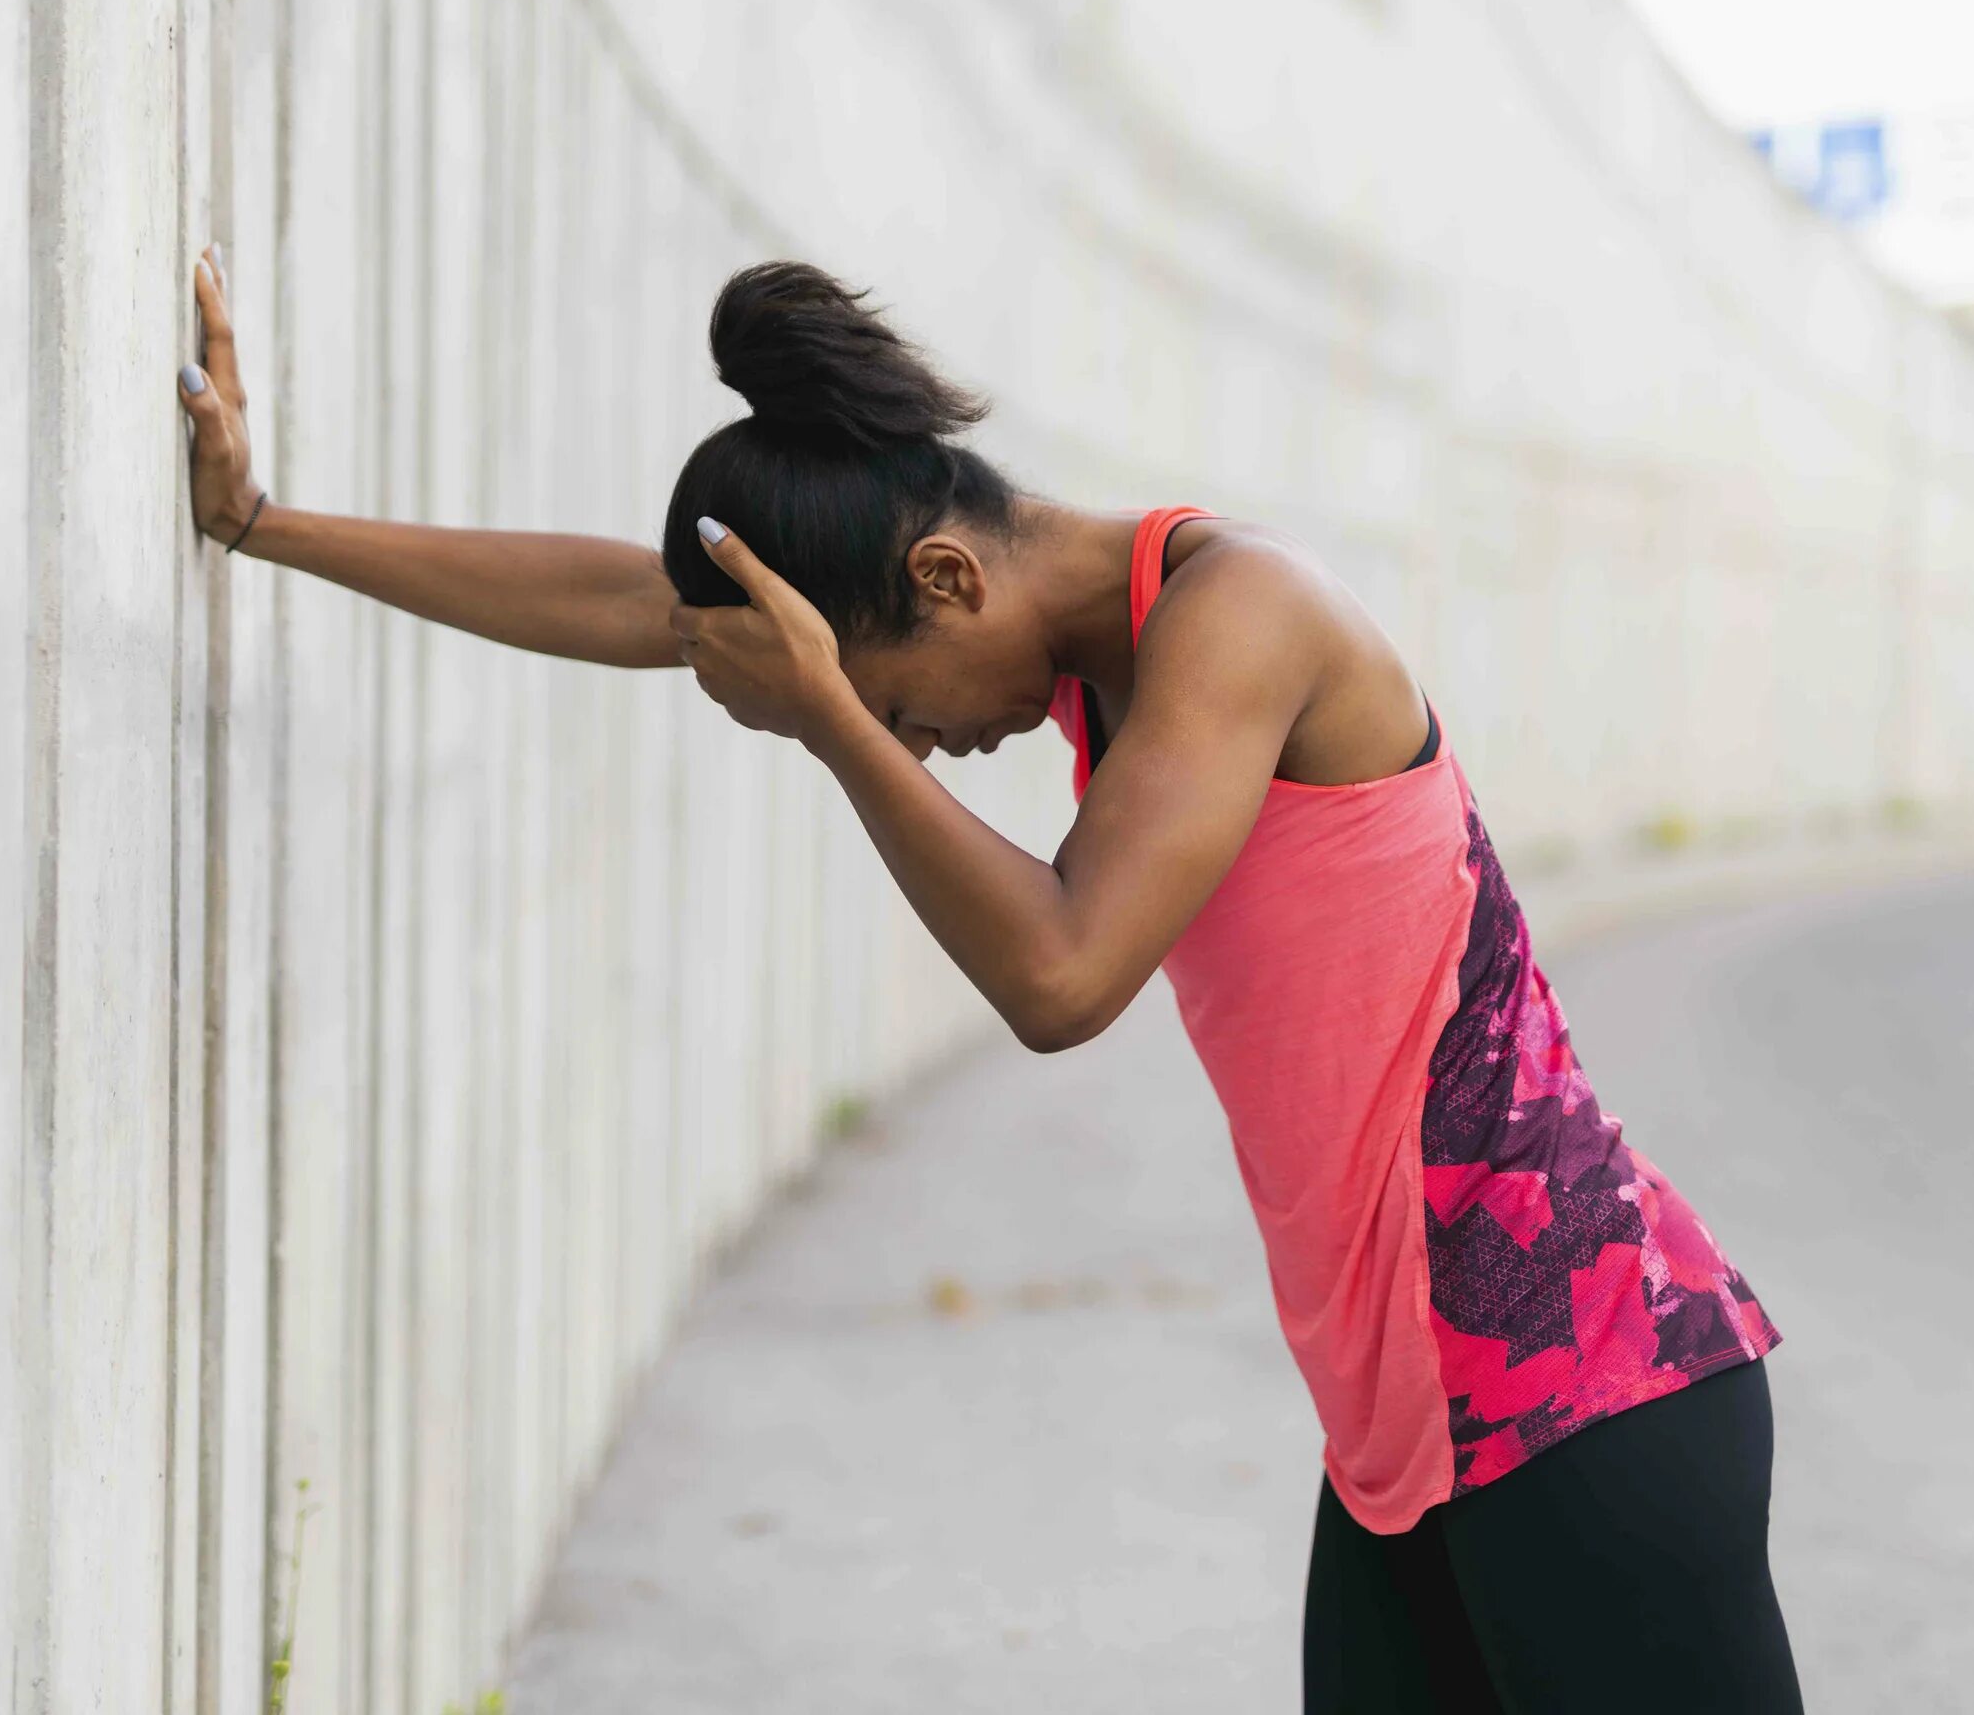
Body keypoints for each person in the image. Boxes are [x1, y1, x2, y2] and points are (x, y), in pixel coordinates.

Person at [176, 249, 1802, 1711]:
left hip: (1584, 1386)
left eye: (894, 701)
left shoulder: (1246, 618)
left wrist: (830, 726)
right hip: (1415, 1423)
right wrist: (263, 524)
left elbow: (1062, 975)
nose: (912, 739)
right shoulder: (1112, 654)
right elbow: (637, 604)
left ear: (948, 580)